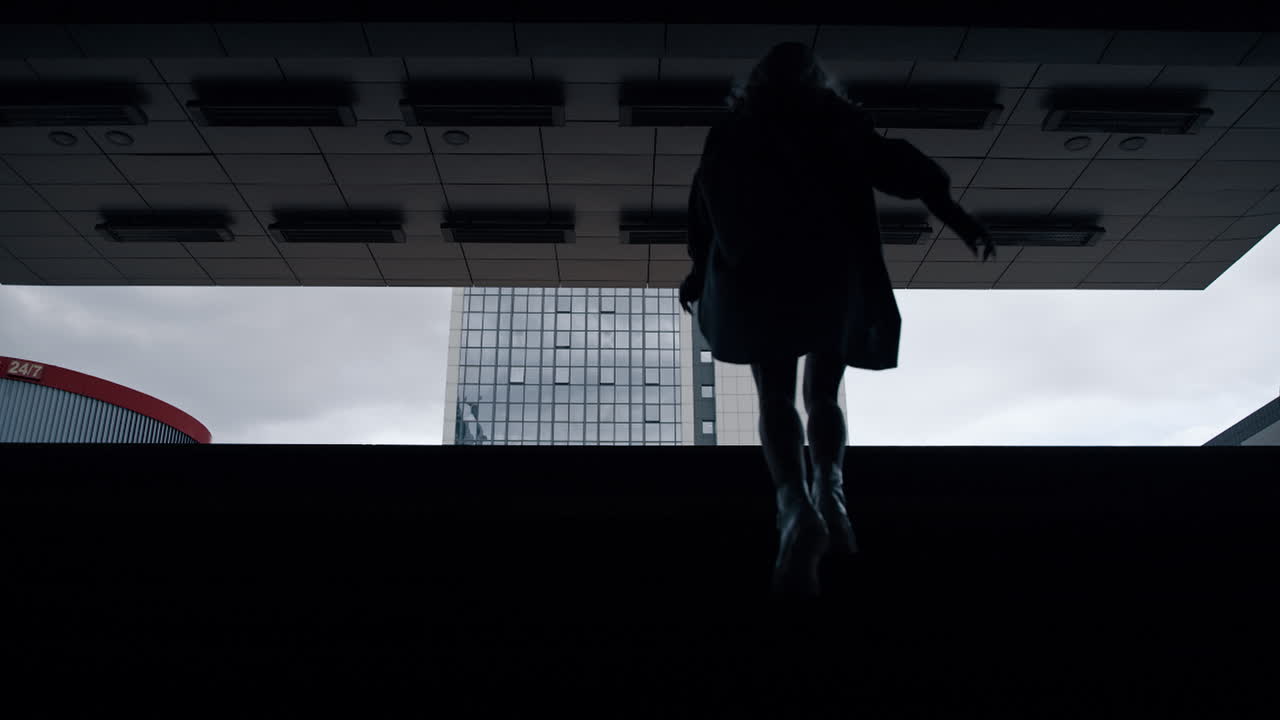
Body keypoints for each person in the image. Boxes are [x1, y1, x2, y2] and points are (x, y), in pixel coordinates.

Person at [678, 42, 996, 597]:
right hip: (830, 274)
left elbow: (704, 200)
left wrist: (698, 271)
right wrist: (959, 218)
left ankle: (793, 506)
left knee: (774, 398)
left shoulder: (732, 132)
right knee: (822, 394)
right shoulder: (838, 123)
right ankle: (832, 488)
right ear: (815, 80)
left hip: (760, 276)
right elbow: (904, 168)